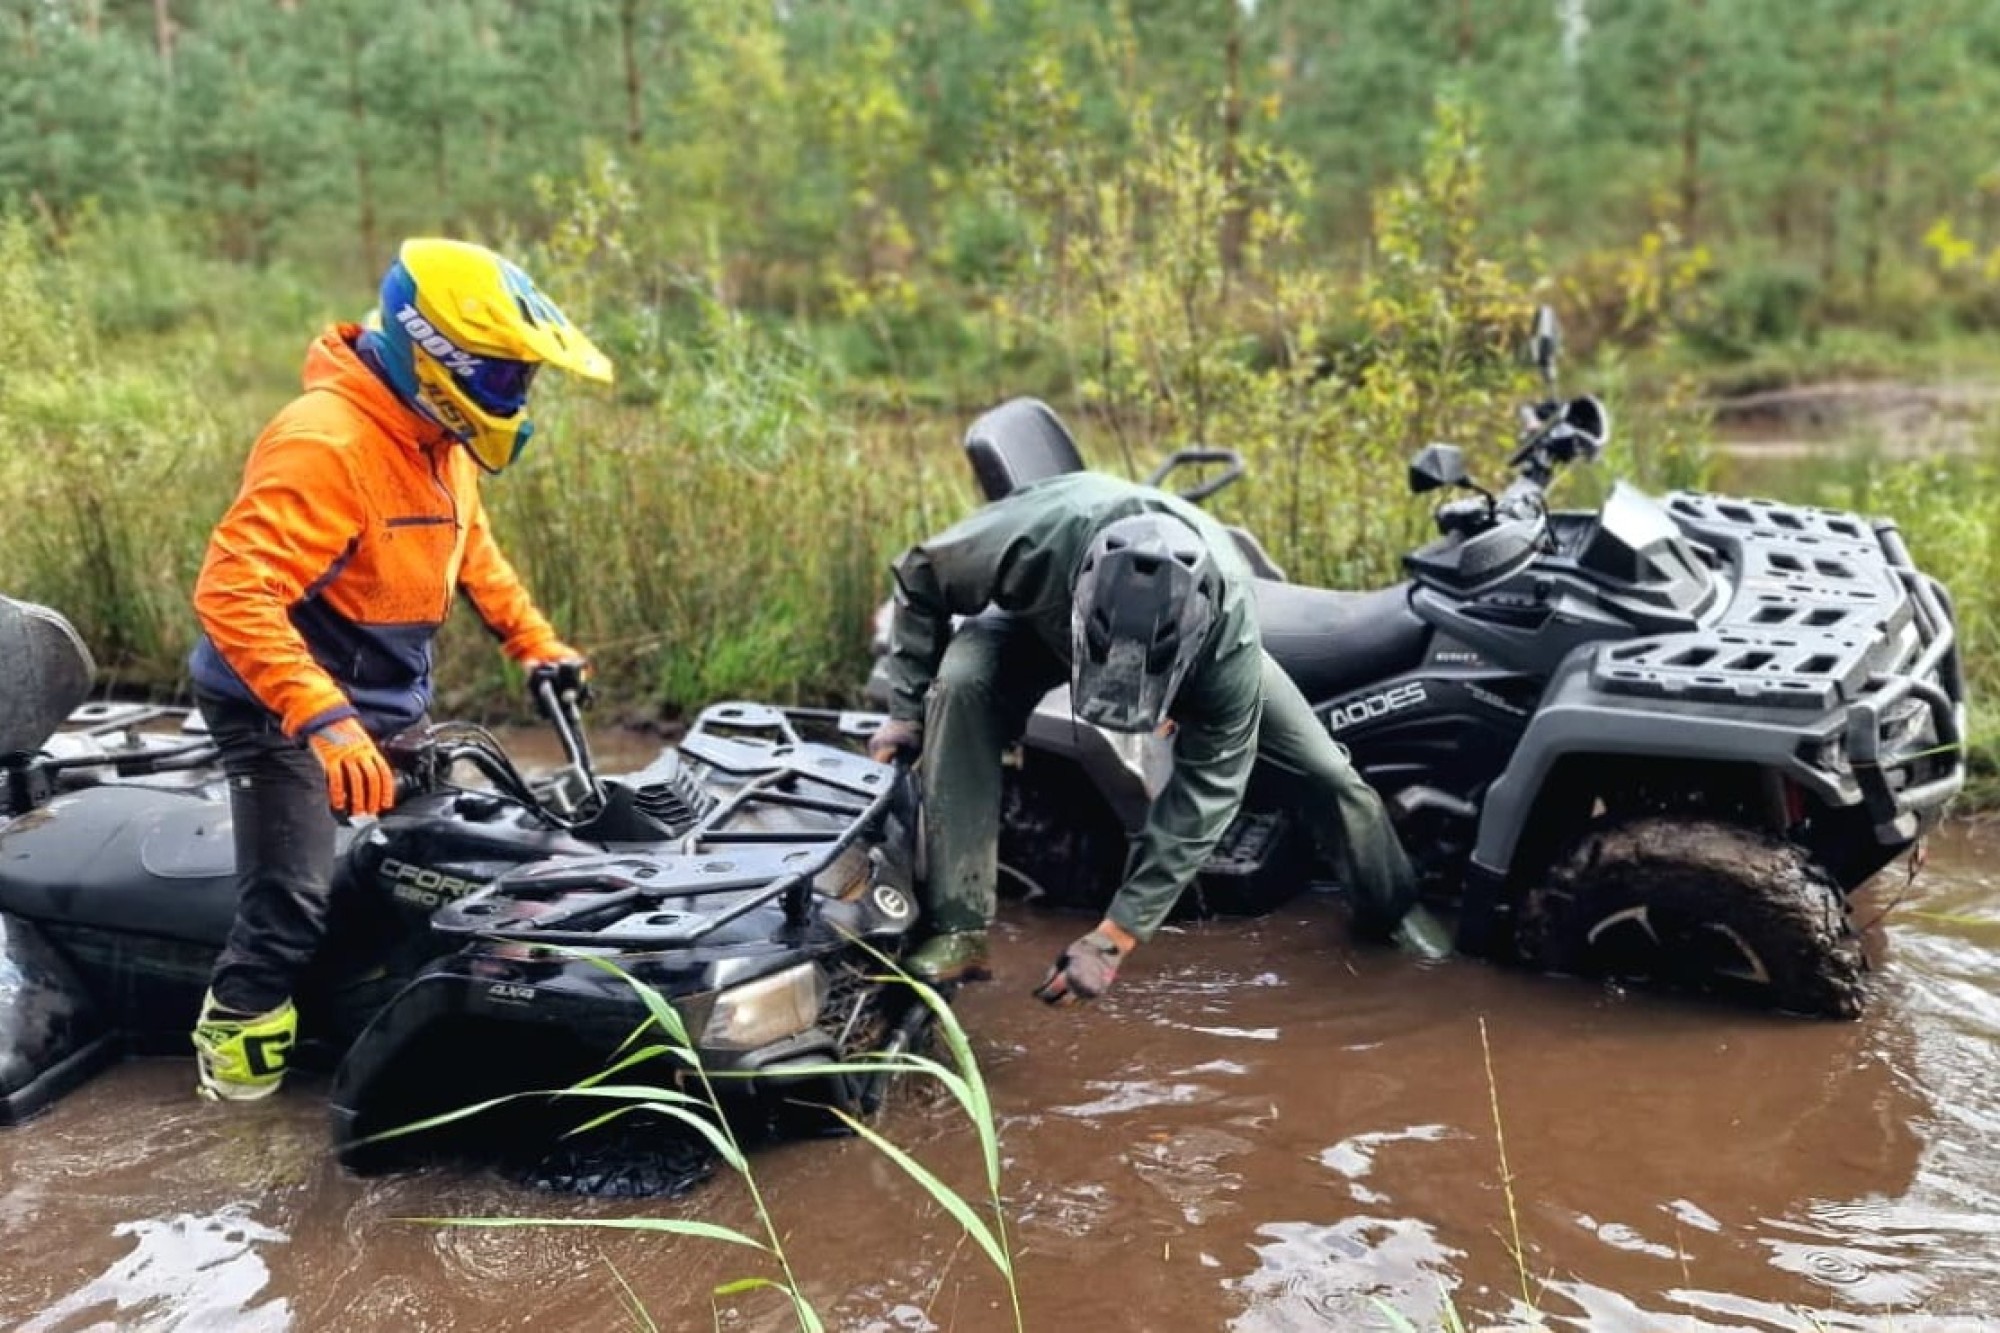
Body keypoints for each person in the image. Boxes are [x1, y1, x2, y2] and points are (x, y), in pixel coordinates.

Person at [186, 238, 612, 1101]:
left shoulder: (438, 438)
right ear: (438, 358)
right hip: (278, 707)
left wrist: (535, 642)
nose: (518, 395)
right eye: (507, 376)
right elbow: (233, 591)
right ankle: (232, 1090)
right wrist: (324, 718)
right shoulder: (326, 442)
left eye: (525, 378)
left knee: (439, 858)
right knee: (289, 910)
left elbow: (472, 550)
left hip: (381, 698)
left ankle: (381, 1017)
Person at [869, 470, 1451, 1005]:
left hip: (1194, 655)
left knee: (1328, 774)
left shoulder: (1226, 632)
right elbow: (919, 572)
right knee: (960, 686)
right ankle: (959, 928)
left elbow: (1208, 790)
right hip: (1039, 628)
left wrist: (1114, 936)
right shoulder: (1029, 543)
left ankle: (1393, 908)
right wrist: (906, 710)